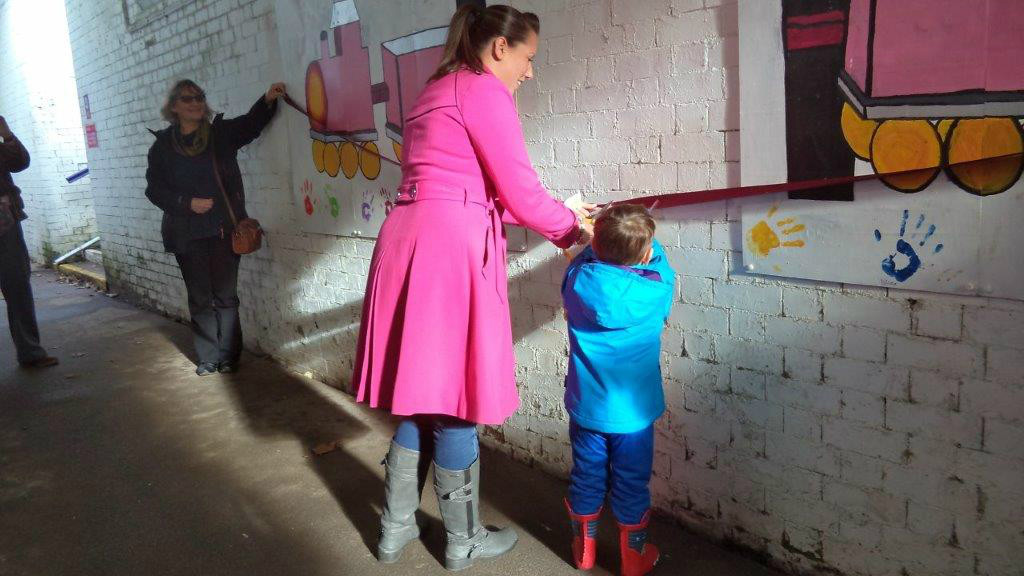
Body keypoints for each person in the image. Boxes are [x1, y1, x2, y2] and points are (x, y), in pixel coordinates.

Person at [351, 4, 594, 571]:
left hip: (408, 238)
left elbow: (467, 185)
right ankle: (462, 541)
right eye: (528, 57)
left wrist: (556, 215)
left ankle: (394, 530)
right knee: (456, 397)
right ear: (500, 47)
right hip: (447, 249)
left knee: (420, 394)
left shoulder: (435, 89)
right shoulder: (484, 90)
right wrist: (572, 228)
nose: (530, 71)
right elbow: (520, 193)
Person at [560, 204, 676, 576]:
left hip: (588, 408)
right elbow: (657, 257)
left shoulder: (576, 280)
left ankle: (584, 552)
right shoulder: (660, 286)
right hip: (634, 415)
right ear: (645, 254)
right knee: (631, 482)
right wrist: (638, 239)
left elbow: (584, 256)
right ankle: (632, 559)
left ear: (595, 245)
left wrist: (589, 233)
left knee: (587, 475)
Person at [145, 80, 284, 376]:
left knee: (226, 297)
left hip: (223, 230)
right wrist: (186, 203)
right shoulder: (162, 147)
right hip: (186, 234)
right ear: (174, 106)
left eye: (199, 97)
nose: (196, 103)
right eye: (188, 99)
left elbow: (250, 125)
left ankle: (229, 356)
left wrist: (267, 99)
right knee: (199, 298)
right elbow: (154, 190)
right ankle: (208, 357)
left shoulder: (219, 135)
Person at [0, 115, 59, 369]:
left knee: (17, 285)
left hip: (5, 224)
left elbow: (20, 163)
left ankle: (30, 352)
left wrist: (7, 136)